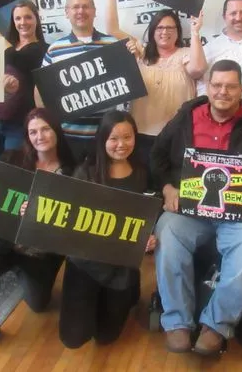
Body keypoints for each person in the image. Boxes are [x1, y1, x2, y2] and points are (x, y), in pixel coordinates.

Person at [151, 59, 242, 355]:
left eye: (231, 86)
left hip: (239, 216)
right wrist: (167, 187)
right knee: (167, 230)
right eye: (217, 85)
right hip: (191, 212)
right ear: (207, 87)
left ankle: (217, 325)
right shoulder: (185, 119)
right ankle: (177, 321)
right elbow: (157, 157)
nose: (223, 92)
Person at [0, 108, 74, 358]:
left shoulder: (74, 171)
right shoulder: (12, 159)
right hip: (6, 241)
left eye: (45, 129)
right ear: (27, 136)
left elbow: (74, 222)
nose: (39, 136)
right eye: (33, 131)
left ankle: (18, 270)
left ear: (56, 130)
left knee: (38, 304)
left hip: (42, 252)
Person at [59, 110, 155, 348]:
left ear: (136, 137)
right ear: (102, 140)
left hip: (121, 264)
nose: (121, 144)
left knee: (106, 336)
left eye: (127, 137)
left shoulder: (144, 173)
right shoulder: (86, 172)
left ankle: (129, 288)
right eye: (114, 138)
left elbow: (151, 213)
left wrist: (149, 237)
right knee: (73, 338)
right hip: (85, 262)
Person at [106, 0, 207, 171]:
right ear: (152, 31)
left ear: (178, 31)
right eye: (160, 27)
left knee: (171, 191)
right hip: (142, 137)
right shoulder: (141, 52)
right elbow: (112, 30)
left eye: (171, 28)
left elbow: (198, 69)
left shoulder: (186, 54)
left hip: (177, 138)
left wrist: (195, 32)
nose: (165, 32)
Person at [34, 0, 119, 162]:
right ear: (67, 12)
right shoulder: (55, 49)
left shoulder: (112, 45)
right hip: (68, 137)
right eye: (75, 7)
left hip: (106, 136)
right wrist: (48, 123)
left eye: (86, 7)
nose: (81, 11)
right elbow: (41, 90)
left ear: (94, 11)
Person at [0, 1, 48, 157]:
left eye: (28, 17)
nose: (23, 22)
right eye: (18, 18)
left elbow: (14, 58)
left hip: (19, 123)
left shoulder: (43, 49)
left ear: (37, 19)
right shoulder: (9, 45)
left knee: (14, 170)